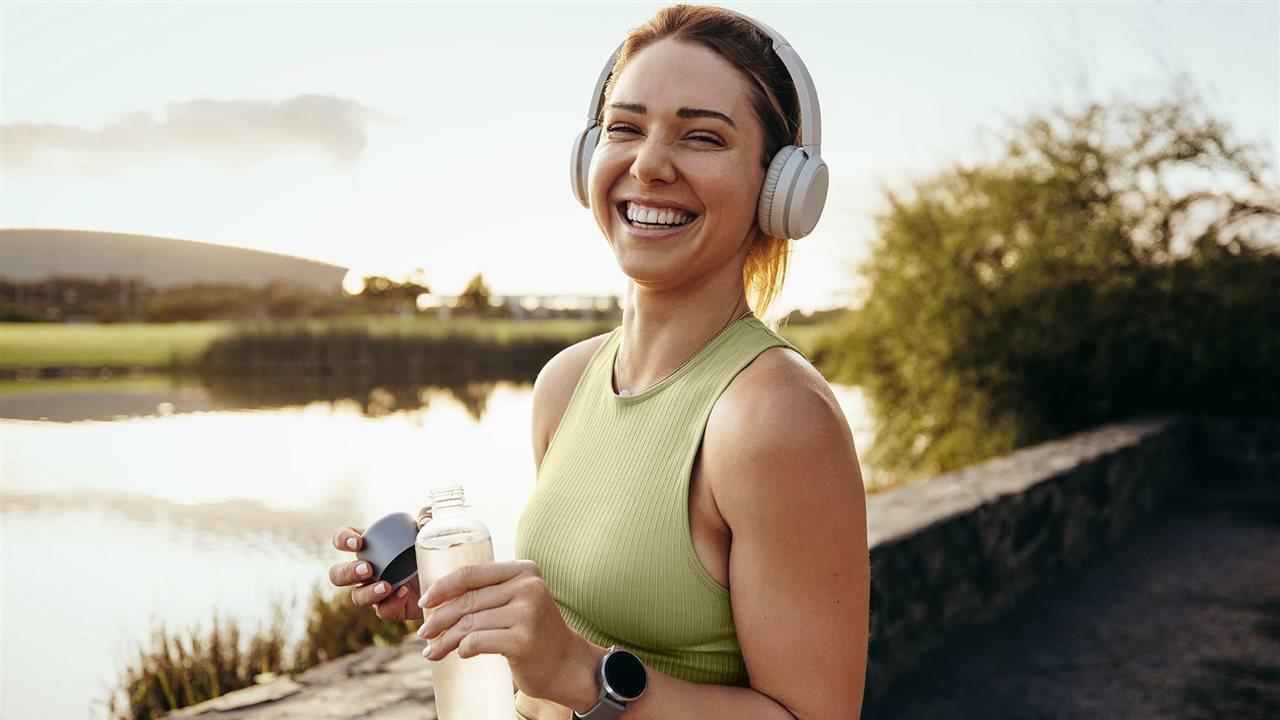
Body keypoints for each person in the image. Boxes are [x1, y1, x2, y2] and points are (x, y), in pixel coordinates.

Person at [328, 5, 869, 718]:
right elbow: (574, 632)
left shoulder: (774, 417)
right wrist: (469, 604)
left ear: (781, 188)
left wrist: (584, 674)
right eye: (625, 128)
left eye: (702, 136)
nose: (648, 164)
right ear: (590, 158)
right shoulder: (566, 382)